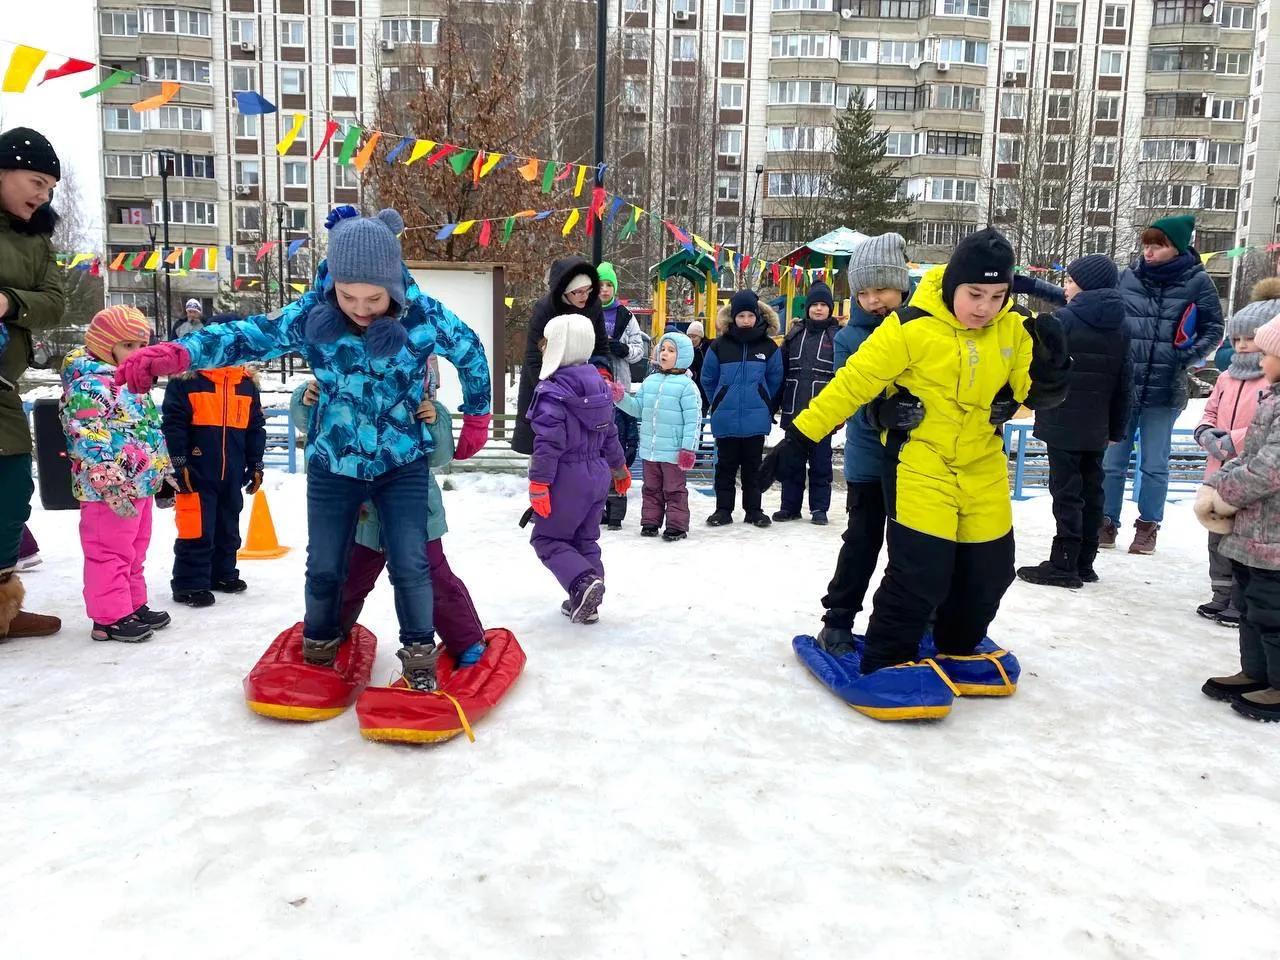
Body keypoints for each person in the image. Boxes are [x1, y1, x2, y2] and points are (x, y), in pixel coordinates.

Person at [115, 206, 492, 694]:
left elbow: (470, 351)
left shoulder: (424, 317)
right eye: (348, 295)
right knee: (325, 562)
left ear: (394, 290)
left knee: (412, 562)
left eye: (374, 298)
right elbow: (243, 336)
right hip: (335, 462)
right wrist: (178, 353)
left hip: (402, 461)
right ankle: (319, 641)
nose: (359, 307)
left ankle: (419, 650)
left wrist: (477, 414)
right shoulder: (312, 317)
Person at [773, 228, 1070, 721]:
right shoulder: (910, 326)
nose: (984, 307)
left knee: (991, 569)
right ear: (953, 285)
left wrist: (1051, 374)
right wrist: (800, 439)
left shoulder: (1015, 327)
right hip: (921, 464)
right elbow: (852, 384)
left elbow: (1028, 395)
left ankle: (956, 641)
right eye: (975, 294)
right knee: (920, 570)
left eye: (997, 296)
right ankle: (886, 655)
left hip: (982, 465)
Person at [291, 372, 487, 665]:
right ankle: (331, 631)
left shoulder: (427, 409)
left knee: (435, 581)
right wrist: (305, 400)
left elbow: (441, 456)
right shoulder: (350, 405)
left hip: (417, 519)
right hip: (365, 519)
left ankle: (467, 639)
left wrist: (434, 422)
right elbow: (311, 426)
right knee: (350, 580)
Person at [812, 232, 912, 649]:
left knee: (914, 549)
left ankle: (917, 619)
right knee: (862, 541)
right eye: (864, 292)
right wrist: (876, 412)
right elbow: (847, 393)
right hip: (870, 459)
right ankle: (838, 616)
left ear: (902, 286)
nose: (874, 300)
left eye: (882, 288)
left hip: (917, 461)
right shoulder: (851, 337)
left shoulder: (922, 328)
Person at [1106, 215, 1224, 555]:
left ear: (1176, 247)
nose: (1149, 251)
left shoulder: (1198, 282)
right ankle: (1106, 520)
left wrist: (1186, 357)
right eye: (1146, 244)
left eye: (1157, 245)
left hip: (1164, 388)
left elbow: (1214, 327)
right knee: (1112, 460)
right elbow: (1108, 316)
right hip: (1124, 385)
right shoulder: (1126, 277)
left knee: (1154, 463)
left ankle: (1148, 526)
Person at [1013, 255, 1133, 589]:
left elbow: (1041, 368)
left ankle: (1063, 564)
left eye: (1069, 281)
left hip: (1063, 421)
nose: (1064, 286)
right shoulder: (1122, 324)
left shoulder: (1064, 320)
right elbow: (1126, 380)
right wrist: (1117, 427)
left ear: (1085, 285)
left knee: (1066, 492)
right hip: (1098, 428)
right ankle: (1084, 562)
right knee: (1093, 491)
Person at [60, 306, 174, 642]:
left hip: (138, 484)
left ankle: (132, 603)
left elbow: (149, 430)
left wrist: (162, 471)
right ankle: (109, 616)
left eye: (142, 346)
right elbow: (85, 430)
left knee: (135, 548)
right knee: (108, 550)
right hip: (107, 489)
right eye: (128, 346)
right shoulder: (89, 383)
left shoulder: (132, 383)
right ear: (105, 344)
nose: (137, 354)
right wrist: (107, 478)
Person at [1199, 315, 1280, 721]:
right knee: (1249, 605)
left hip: (1274, 534)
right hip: (1254, 530)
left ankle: (1278, 686)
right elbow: (1249, 455)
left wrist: (1225, 491)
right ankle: (1256, 673)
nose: (1260, 360)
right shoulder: (1272, 398)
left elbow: (1270, 469)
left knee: (1273, 610)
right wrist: (1223, 477)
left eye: (1266, 353)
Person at [0, 126, 63, 641]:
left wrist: (8, 302)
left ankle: (2, 606)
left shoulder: (37, 240)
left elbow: (54, 301)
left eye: (49, 189)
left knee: (13, 482)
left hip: (2, 377)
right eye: (36, 181)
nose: (42, 196)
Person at [526, 313, 629, 624]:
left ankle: (582, 583)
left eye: (548, 343)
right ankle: (587, 600)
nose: (542, 348)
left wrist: (539, 483)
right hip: (597, 474)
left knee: (547, 539)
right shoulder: (599, 385)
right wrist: (619, 468)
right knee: (585, 540)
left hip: (565, 478)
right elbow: (610, 431)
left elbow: (548, 443)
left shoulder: (553, 391)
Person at [1192, 279, 1280, 625]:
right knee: (1217, 539)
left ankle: (1238, 601)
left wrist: (1233, 440)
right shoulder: (1226, 377)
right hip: (1220, 472)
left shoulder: (1268, 385)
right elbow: (1210, 411)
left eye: (1252, 341)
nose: (1243, 347)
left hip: (1248, 481)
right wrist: (1206, 432)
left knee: (1242, 544)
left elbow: (1262, 431)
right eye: (1238, 340)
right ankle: (1221, 593)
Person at [161, 343, 266, 606]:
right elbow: (173, 423)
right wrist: (179, 462)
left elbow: (255, 428)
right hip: (196, 471)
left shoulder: (246, 385)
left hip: (231, 472)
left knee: (228, 526)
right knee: (196, 527)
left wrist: (255, 464)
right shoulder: (188, 381)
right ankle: (190, 583)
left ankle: (222, 573)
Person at [700, 290, 782, 528]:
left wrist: (764, 400)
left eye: (750, 315)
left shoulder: (768, 347)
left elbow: (775, 378)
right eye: (741, 315)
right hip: (726, 418)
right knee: (724, 467)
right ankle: (723, 509)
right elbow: (708, 378)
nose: (745, 320)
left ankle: (754, 510)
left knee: (753, 468)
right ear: (732, 318)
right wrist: (718, 400)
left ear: (757, 316)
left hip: (755, 419)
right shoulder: (719, 346)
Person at [512, 258, 610, 457]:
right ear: (565, 291)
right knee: (546, 444)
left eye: (588, 290)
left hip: (583, 384)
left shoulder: (593, 305)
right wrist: (551, 387)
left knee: (580, 443)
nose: (585, 296)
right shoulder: (545, 309)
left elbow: (600, 345)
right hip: (546, 384)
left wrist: (603, 374)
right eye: (578, 292)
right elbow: (533, 355)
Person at [614, 330, 702, 541]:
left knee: (674, 490)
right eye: (663, 348)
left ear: (682, 356)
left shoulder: (687, 387)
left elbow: (693, 421)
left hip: (673, 452)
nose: (664, 353)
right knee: (651, 488)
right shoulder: (650, 382)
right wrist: (620, 397)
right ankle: (650, 522)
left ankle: (676, 526)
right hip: (650, 451)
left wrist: (688, 449)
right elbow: (637, 408)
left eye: (671, 350)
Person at [775, 281, 840, 525]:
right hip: (794, 412)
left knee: (821, 465)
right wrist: (774, 404)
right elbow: (780, 372)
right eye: (815, 304)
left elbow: (844, 376)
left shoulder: (837, 336)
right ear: (808, 308)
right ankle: (789, 507)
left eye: (824, 305)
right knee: (792, 463)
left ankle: (819, 508)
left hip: (823, 414)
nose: (819, 309)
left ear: (830, 309)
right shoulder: (794, 335)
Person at [598, 263, 644, 530]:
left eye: (609, 285)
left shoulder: (626, 315)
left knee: (618, 446)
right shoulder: (586, 311)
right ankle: (594, 506)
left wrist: (623, 349)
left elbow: (639, 349)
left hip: (619, 388)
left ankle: (615, 509)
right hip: (592, 385)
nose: (605, 290)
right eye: (601, 285)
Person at [686, 320, 710, 412]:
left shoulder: (709, 348)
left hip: (705, 388)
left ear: (701, 336)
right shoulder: (687, 350)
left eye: (694, 336)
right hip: (692, 388)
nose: (691, 339)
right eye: (689, 336)